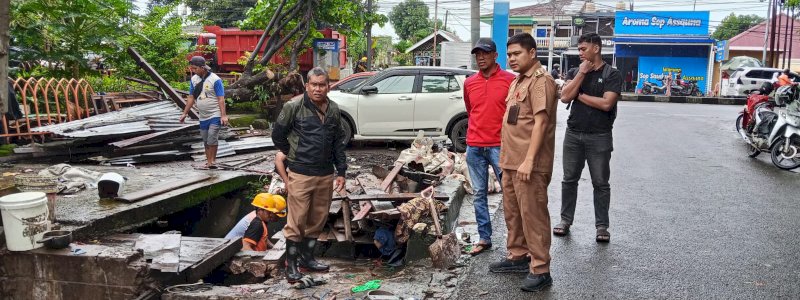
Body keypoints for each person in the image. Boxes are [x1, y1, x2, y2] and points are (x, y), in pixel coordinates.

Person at [488, 33, 558, 292]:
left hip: (529, 164)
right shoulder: (518, 82)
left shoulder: (542, 82)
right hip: (510, 161)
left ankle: (541, 269)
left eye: (517, 54)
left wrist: (529, 161)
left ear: (532, 53)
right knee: (513, 214)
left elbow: (541, 123)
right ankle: (518, 255)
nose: (512, 59)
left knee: (533, 216)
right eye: (509, 55)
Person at [272, 67, 348, 283]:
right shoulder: (293, 107)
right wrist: (292, 154)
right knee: (296, 220)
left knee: (317, 219)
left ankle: (308, 258)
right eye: (313, 84)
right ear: (307, 85)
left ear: (328, 86)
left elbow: (338, 143)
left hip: (325, 174)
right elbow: (277, 135)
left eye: (322, 84)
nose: (317, 89)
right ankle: (292, 265)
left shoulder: (334, 109)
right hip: (301, 173)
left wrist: (341, 171)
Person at [556, 32, 622, 243]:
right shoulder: (576, 71)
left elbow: (606, 104)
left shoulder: (612, 74)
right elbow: (565, 96)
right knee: (569, 179)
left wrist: (581, 96)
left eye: (584, 49)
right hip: (573, 133)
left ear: (596, 48)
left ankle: (602, 227)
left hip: (600, 136)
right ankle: (565, 221)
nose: (580, 53)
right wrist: (581, 74)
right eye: (579, 49)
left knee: (601, 183)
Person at [462, 37, 516, 256]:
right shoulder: (469, 83)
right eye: (477, 54)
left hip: (500, 146)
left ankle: (515, 242)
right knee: (478, 194)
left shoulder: (510, 80)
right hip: (474, 146)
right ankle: (484, 238)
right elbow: (470, 109)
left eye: (485, 53)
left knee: (510, 194)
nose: (480, 58)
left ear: (495, 55)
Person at [180, 56, 229, 168]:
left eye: (195, 68)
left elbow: (221, 99)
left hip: (215, 113)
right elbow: (191, 97)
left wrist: (223, 115)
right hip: (203, 116)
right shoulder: (194, 79)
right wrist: (184, 113)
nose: (192, 70)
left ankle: (213, 161)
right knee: (206, 139)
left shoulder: (215, 80)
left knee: (212, 136)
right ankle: (209, 162)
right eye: (191, 68)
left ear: (203, 68)